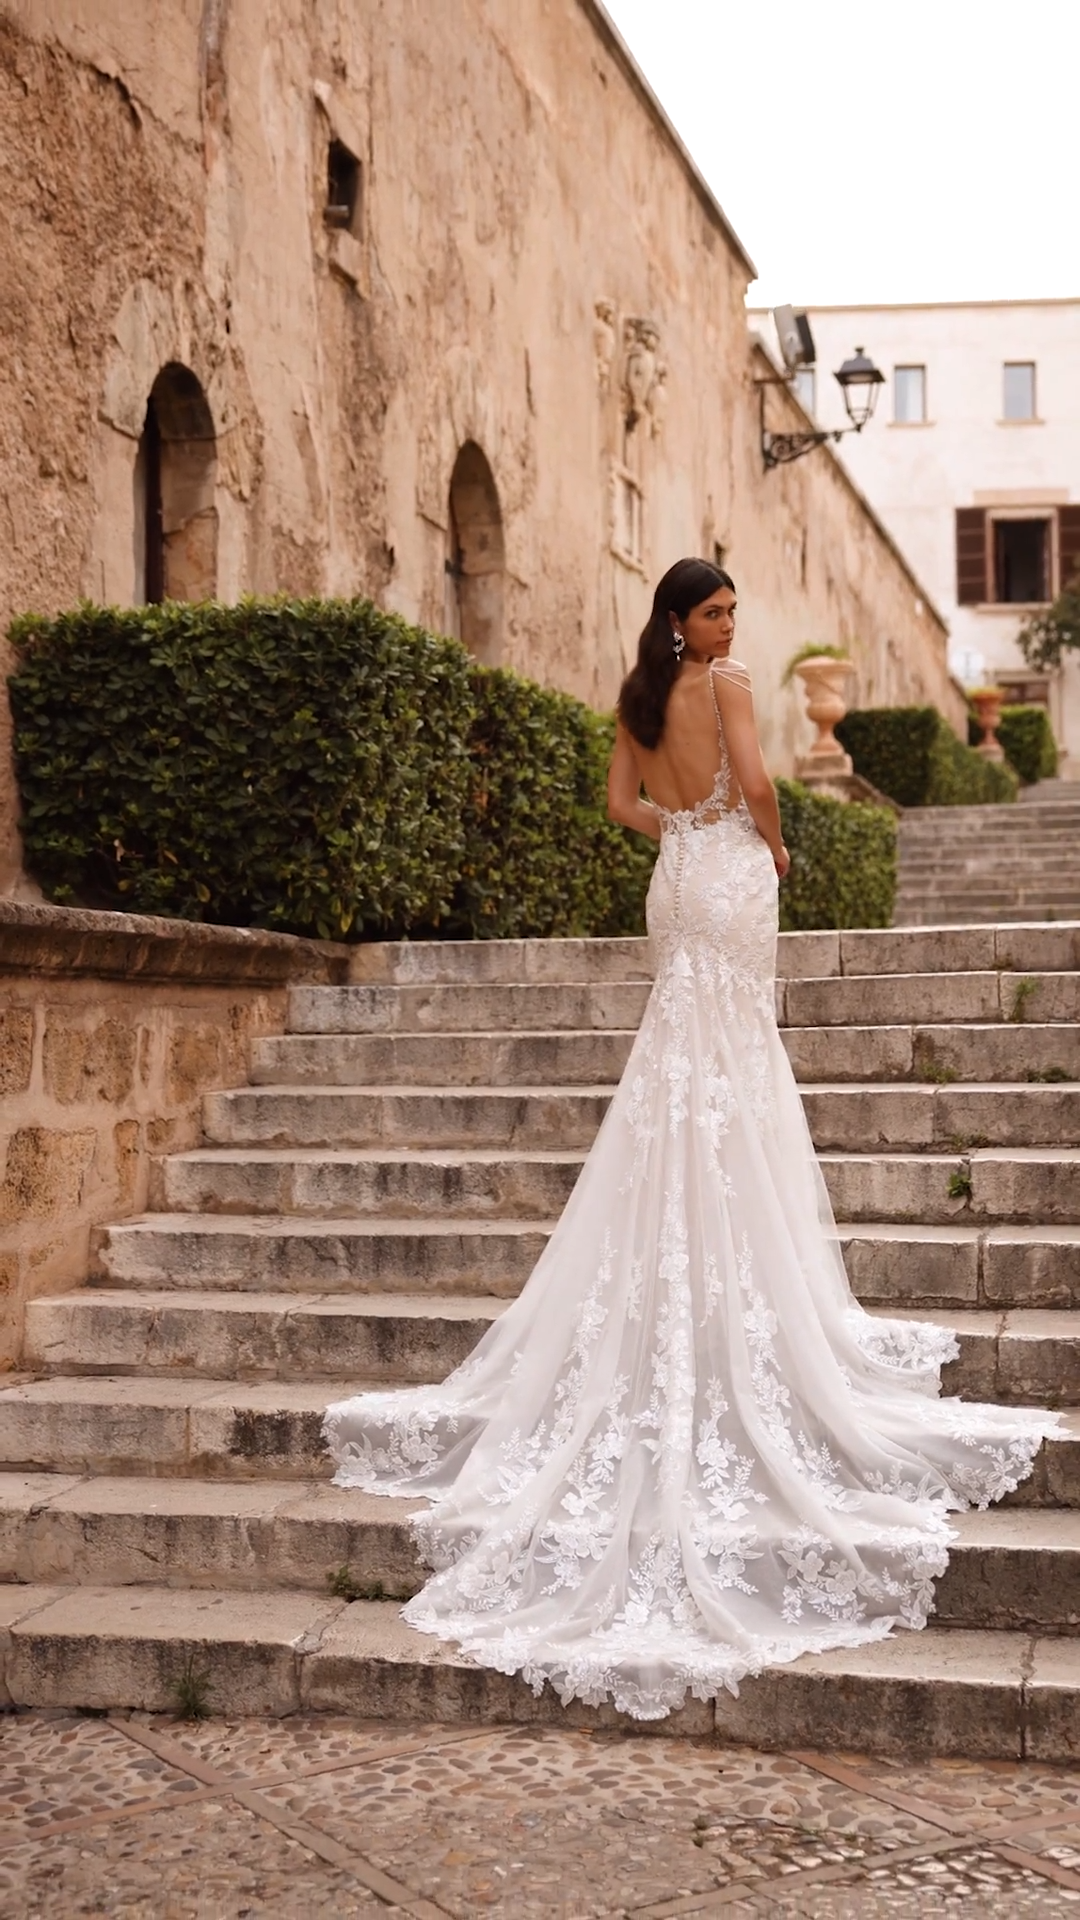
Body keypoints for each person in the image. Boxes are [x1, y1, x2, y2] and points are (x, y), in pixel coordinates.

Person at [325, 556, 1058, 1720]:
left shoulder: (633, 697)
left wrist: (681, 822)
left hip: (675, 880)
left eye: (731, 611)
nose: (730, 623)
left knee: (686, 1060)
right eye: (715, 609)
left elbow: (620, 807)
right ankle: (727, 1242)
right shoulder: (728, 683)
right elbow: (763, 785)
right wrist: (762, 840)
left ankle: (691, 1228)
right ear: (681, 616)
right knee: (734, 1059)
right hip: (725, 878)